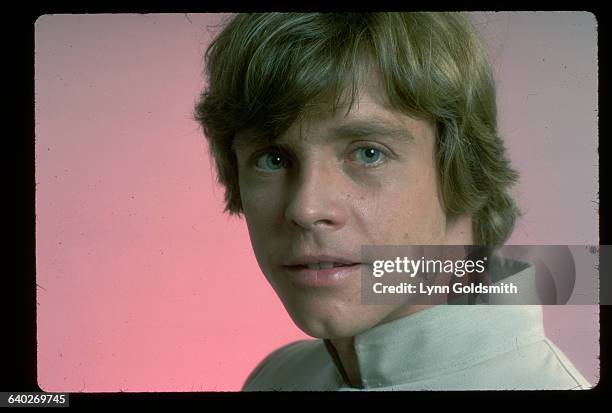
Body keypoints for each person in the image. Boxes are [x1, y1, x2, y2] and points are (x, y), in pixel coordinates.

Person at [194, 12, 592, 390]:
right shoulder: (277, 378)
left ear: (463, 168)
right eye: (273, 159)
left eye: (369, 153)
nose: (306, 208)